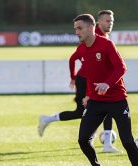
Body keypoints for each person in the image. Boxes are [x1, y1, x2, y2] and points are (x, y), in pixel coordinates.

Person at [73, 14, 138, 166]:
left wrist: (107, 83)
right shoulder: (82, 49)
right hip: (96, 101)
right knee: (83, 140)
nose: (77, 32)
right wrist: (89, 95)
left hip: (117, 100)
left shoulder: (106, 44)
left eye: (79, 28)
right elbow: (91, 75)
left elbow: (122, 67)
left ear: (91, 28)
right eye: (75, 29)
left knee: (127, 141)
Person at [38, 10, 121, 153]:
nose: (110, 23)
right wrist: (74, 77)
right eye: (107, 21)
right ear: (98, 23)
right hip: (86, 80)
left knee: (93, 110)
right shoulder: (93, 37)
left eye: (112, 21)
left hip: (93, 80)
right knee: (88, 110)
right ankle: (105, 143)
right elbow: (73, 58)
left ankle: (103, 142)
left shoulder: (104, 38)